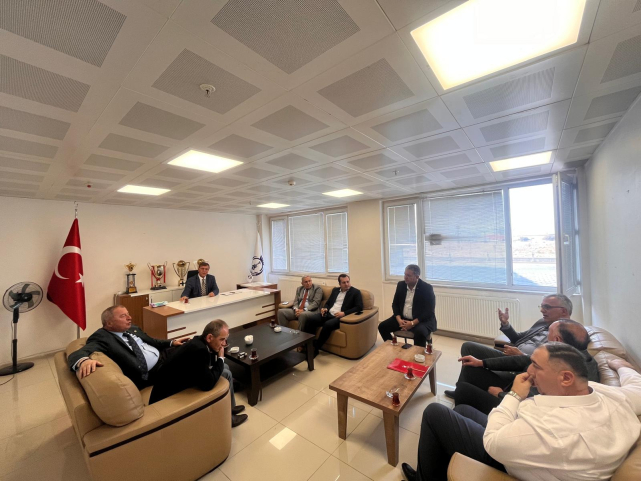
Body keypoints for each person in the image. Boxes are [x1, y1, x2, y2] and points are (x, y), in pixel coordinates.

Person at [402, 343, 641, 481]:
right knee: (463, 408)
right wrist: (622, 366)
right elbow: (637, 388)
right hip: (526, 446)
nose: (529, 370)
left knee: (434, 412)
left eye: (536, 365)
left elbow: (493, 443)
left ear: (566, 378)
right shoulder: (610, 396)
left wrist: (514, 396)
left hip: (508, 460)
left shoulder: (554, 429)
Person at [68, 306, 247, 427]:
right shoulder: (102, 337)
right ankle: (228, 399)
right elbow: (78, 352)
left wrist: (171, 342)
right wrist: (83, 361)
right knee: (213, 364)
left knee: (200, 351)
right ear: (109, 323)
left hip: (163, 356)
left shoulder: (133, 329)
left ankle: (229, 402)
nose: (129, 317)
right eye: (123, 316)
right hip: (153, 372)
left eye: (128, 314)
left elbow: (153, 341)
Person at [453, 319, 599, 414]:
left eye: (548, 333)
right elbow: (523, 361)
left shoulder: (573, 369)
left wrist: (501, 395)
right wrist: (482, 363)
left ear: (557, 339)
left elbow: (538, 399)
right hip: (515, 387)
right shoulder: (565, 354)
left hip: (518, 405)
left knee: (463, 391)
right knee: (470, 370)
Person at [445, 294, 573, 398]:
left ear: (563, 311)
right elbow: (518, 338)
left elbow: (548, 366)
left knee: (471, 368)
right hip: (510, 356)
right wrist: (506, 324)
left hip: (520, 368)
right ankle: (460, 390)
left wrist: (522, 355)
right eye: (542, 306)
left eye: (547, 307)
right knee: (468, 347)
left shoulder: (567, 335)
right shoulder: (543, 322)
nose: (542, 310)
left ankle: (467, 391)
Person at [149, 319, 248, 427]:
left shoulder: (198, 341)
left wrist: (218, 357)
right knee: (226, 374)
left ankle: (230, 407)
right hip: (169, 393)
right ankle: (230, 419)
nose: (224, 344)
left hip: (181, 379)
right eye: (222, 339)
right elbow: (207, 384)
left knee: (225, 367)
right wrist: (220, 358)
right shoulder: (199, 350)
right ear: (209, 337)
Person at [303, 274, 362, 356]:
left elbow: (359, 307)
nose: (346, 284)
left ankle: (316, 348)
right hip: (328, 313)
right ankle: (308, 345)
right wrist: (325, 308)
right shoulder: (335, 290)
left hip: (340, 317)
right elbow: (328, 303)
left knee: (327, 325)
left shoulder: (355, 292)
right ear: (339, 284)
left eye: (348, 282)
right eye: (344, 282)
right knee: (311, 319)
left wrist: (344, 313)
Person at [377, 264, 436, 347]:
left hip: (420, 320)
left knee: (420, 333)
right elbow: (395, 304)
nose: (405, 277)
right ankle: (393, 348)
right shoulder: (401, 285)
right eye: (405, 274)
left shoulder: (426, 288)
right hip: (402, 319)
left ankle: (417, 353)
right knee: (382, 327)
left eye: (408, 275)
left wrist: (412, 323)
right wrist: (399, 320)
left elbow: (429, 312)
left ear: (417, 277)